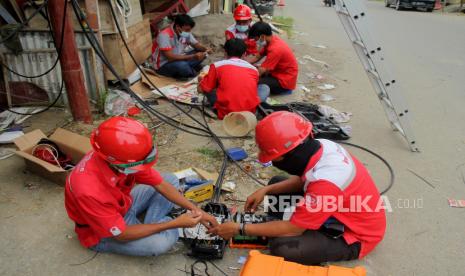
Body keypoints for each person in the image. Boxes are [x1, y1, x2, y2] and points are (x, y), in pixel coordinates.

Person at [209, 111, 386, 265]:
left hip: (356, 235)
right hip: (337, 206)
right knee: (276, 183)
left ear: (289, 155)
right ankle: (284, 221)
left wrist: (240, 229)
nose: (276, 164)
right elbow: (305, 180)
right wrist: (266, 191)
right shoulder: (322, 146)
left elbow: (295, 229)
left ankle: (300, 228)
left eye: (276, 159)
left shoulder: (326, 183)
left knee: (283, 247)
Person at [64, 117, 218, 256]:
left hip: (122, 205)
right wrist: (175, 223)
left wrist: (197, 211)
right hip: (104, 233)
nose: (142, 167)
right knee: (159, 244)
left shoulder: (116, 155)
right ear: (117, 162)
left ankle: (150, 226)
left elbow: (161, 184)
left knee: (170, 179)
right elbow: (121, 235)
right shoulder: (88, 190)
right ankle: (157, 226)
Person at [198, 38, 268, 119]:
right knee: (264, 88)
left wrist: (201, 81)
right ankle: (256, 108)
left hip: (226, 113)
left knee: (207, 89)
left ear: (225, 52)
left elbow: (201, 90)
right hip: (249, 114)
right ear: (244, 54)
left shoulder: (217, 65)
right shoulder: (254, 69)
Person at [152, 14, 212, 80]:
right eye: (187, 30)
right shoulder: (164, 35)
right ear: (178, 26)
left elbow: (196, 45)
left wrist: (206, 49)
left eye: (190, 30)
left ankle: (186, 70)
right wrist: (193, 56)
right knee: (182, 66)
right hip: (163, 66)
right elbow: (170, 58)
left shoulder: (184, 33)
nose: (189, 32)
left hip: (179, 58)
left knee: (202, 52)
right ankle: (193, 73)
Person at [247, 22, 298, 95]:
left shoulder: (275, 49)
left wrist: (245, 77)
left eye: (256, 39)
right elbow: (257, 56)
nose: (255, 41)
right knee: (251, 71)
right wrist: (244, 63)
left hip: (284, 81)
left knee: (252, 82)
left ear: (262, 36)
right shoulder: (271, 40)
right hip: (278, 73)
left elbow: (261, 70)